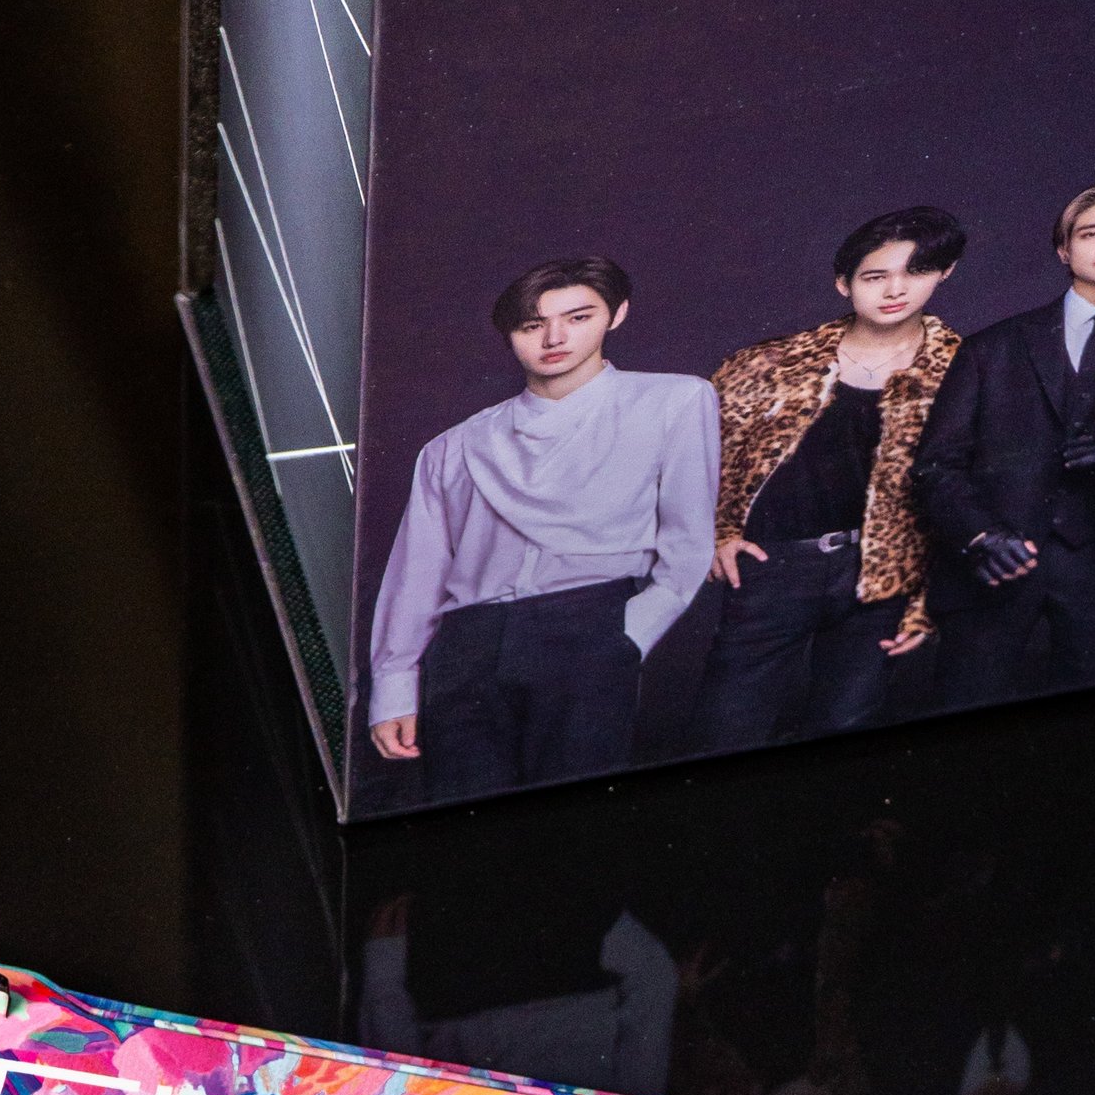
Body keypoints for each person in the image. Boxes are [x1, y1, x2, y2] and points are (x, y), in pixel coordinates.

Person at [366, 256, 718, 803]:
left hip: (588, 625)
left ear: (617, 315)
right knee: (466, 824)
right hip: (467, 644)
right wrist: (393, 687)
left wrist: (626, 635)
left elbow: (688, 539)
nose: (554, 338)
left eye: (578, 318)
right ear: (509, 333)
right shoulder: (454, 445)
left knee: (571, 823)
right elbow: (417, 574)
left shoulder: (672, 401)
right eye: (532, 324)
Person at [911, 176, 1095, 698]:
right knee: (964, 706)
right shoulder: (991, 346)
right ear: (1064, 250)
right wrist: (980, 536)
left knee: (1090, 717)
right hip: (995, 560)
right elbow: (935, 464)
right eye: (1089, 233)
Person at [688, 207, 965, 750]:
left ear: (943, 273)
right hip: (775, 566)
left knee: (845, 732)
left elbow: (970, 486)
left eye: (915, 272)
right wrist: (715, 535)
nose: (895, 290)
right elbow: (696, 459)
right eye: (875, 276)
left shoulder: (962, 369)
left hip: (884, 580)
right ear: (844, 283)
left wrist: (925, 599)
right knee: (724, 733)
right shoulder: (768, 363)